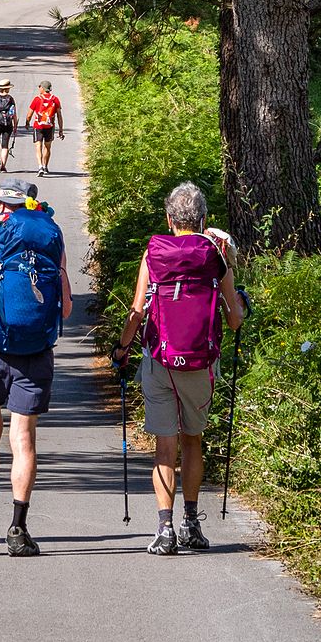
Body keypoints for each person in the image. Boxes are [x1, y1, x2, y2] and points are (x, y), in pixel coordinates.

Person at [111, 181, 244, 556]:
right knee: (192, 440)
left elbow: (137, 311)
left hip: (160, 359)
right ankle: (191, 523)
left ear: (170, 219)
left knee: (164, 445)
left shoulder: (154, 253)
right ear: (203, 219)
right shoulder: (216, 254)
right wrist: (242, 306)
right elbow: (234, 320)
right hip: (201, 363)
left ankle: (165, 529)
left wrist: (122, 349)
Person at [0, 177, 73, 557]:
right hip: (35, 349)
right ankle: (18, 529)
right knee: (23, 439)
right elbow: (66, 308)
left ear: (2, 207)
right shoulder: (51, 238)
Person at [26, 79, 64, 177]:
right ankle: (45, 166)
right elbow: (59, 115)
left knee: (38, 146)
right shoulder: (55, 99)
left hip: (38, 126)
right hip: (49, 126)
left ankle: (40, 166)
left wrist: (27, 122)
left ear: (42, 88)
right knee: (47, 147)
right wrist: (61, 129)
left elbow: (30, 114)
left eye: (39, 87)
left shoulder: (37, 99)